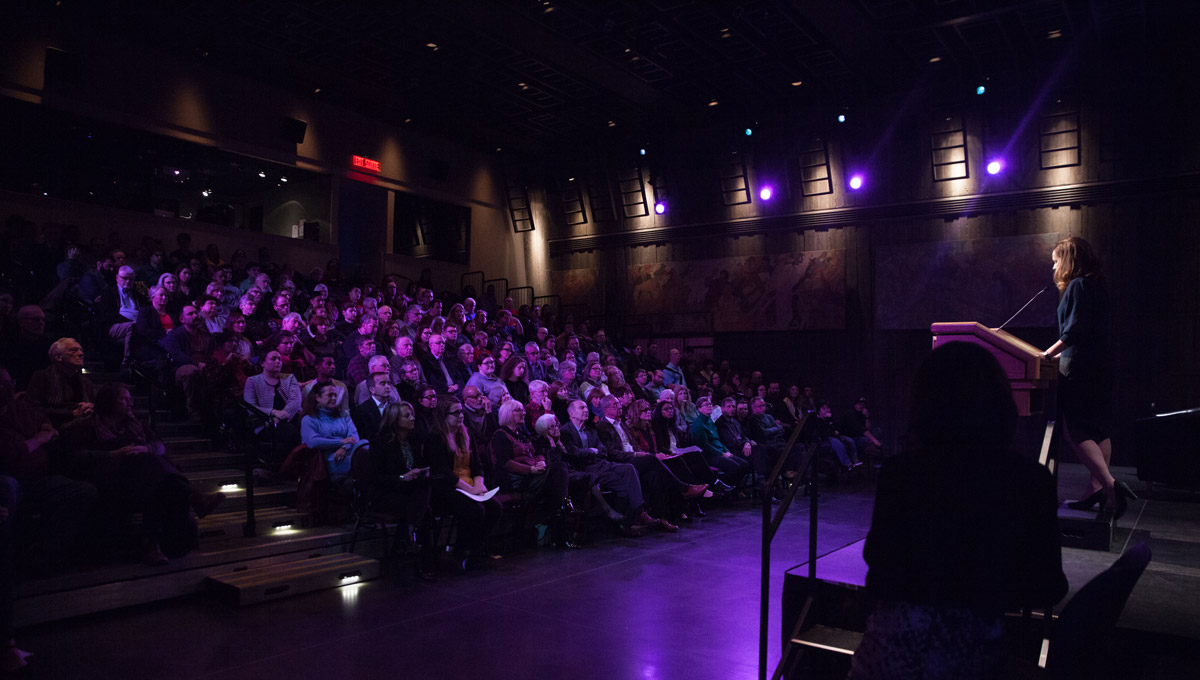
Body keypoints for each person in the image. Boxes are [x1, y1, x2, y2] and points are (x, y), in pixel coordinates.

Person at [848, 341, 1068, 680]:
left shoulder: (901, 473)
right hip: (977, 658)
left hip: (889, 657)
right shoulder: (1030, 480)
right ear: (999, 401)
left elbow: (879, 568)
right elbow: (1048, 586)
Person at [62, 382, 223, 565]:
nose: (130, 404)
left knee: (154, 477)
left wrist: (144, 448)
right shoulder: (88, 426)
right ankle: (194, 498)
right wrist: (112, 454)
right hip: (106, 476)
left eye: (131, 399)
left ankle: (153, 545)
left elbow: (159, 445)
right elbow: (75, 456)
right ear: (109, 401)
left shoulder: (135, 424)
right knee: (155, 470)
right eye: (124, 399)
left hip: (138, 479)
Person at [1041, 236, 1135, 518]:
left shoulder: (1078, 285)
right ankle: (1094, 490)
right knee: (1098, 429)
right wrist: (1060, 356)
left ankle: (1109, 485)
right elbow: (1090, 335)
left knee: (1076, 430)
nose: (1053, 265)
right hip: (1100, 365)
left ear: (1068, 260)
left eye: (1056, 260)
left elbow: (1075, 331)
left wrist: (1048, 354)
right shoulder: (1097, 285)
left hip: (1083, 371)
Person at [422, 398, 501, 571]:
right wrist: (471, 490)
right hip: (445, 489)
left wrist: (479, 485)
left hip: (469, 485)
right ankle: (460, 552)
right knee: (474, 510)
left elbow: (477, 466)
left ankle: (476, 550)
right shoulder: (435, 438)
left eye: (461, 412)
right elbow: (443, 473)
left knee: (495, 508)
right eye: (455, 412)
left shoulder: (466, 433)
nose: (460, 416)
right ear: (444, 416)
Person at [366, 401, 434, 578]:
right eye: (407, 416)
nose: (412, 418)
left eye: (412, 414)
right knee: (424, 510)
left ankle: (406, 538)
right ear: (394, 419)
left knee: (423, 494)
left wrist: (420, 473)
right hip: (386, 493)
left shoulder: (414, 440)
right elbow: (374, 477)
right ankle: (420, 556)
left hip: (410, 492)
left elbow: (419, 465)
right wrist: (402, 478)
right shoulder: (381, 441)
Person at [300, 382, 368, 486]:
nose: (333, 398)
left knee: (364, 443)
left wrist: (344, 447)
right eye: (329, 395)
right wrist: (340, 441)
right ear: (317, 398)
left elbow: (354, 437)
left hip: (348, 453)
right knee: (366, 463)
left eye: (335, 395)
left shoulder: (343, 415)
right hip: (327, 461)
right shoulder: (309, 419)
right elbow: (312, 442)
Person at [243, 350, 303, 467]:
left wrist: (279, 417)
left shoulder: (289, 378)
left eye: (279, 359)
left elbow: (295, 401)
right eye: (273, 359)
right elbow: (250, 406)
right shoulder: (252, 381)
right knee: (289, 433)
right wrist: (273, 412)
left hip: (290, 417)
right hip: (264, 421)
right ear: (263, 363)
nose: (278, 362)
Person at [24, 338, 96, 428]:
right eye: (74, 350)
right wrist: (71, 413)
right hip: (53, 425)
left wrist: (89, 408)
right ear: (58, 357)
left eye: (81, 350)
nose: (81, 354)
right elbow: (32, 409)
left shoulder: (86, 382)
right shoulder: (42, 377)